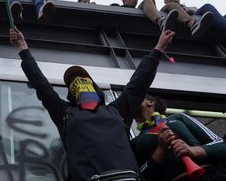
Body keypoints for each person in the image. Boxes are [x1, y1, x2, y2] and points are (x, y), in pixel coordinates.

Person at [9, 27, 175, 181]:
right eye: (73, 82)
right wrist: (23, 48)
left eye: (84, 79)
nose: (79, 81)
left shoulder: (117, 110)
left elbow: (139, 82)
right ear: (71, 94)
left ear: (95, 87)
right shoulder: (64, 113)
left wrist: (158, 49)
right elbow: (41, 85)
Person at [132, 95, 226, 181]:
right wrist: (160, 151)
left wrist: (193, 150)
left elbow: (225, 148)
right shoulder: (134, 143)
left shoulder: (178, 118)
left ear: (150, 102)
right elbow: (139, 177)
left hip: (214, 175)